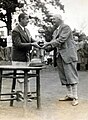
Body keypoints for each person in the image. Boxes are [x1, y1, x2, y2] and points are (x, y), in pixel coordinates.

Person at [43, 14, 79, 106]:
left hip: (68, 55)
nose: (52, 21)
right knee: (64, 76)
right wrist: (45, 47)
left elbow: (61, 40)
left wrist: (48, 43)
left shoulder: (66, 27)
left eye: (54, 19)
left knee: (71, 75)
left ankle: (75, 97)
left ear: (59, 19)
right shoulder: (56, 31)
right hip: (60, 56)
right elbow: (54, 44)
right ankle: (69, 94)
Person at [12, 13, 40, 99]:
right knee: (20, 76)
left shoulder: (27, 30)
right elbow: (18, 44)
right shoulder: (15, 31)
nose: (28, 21)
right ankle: (24, 94)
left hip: (26, 57)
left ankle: (27, 93)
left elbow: (31, 39)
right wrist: (32, 44)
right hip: (18, 58)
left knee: (27, 76)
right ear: (21, 19)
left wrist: (37, 42)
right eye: (26, 19)